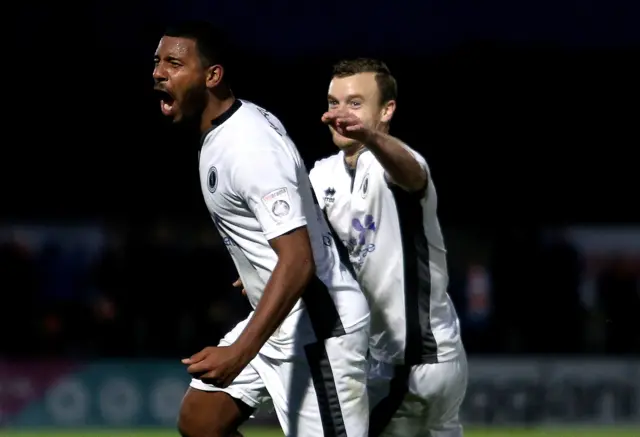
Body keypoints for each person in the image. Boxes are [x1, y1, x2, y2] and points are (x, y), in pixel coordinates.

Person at [153, 22, 371, 437]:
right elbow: (291, 227)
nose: (159, 72)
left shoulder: (248, 147)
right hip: (282, 320)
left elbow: (299, 259)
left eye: (174, 63)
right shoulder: (224, 131)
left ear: (212, 76)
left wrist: (239, 352)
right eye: (157, 62)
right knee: (200, 420)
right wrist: (257, 265)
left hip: (320, 329)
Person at [308, 58, 468, 437]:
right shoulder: (321, 175)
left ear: (387, 110)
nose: (341, 113)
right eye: (333, 103)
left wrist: (371, 137)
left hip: (416, 364)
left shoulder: (395, 166)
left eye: (355, 103)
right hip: (398, 361)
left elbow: (413, 175)